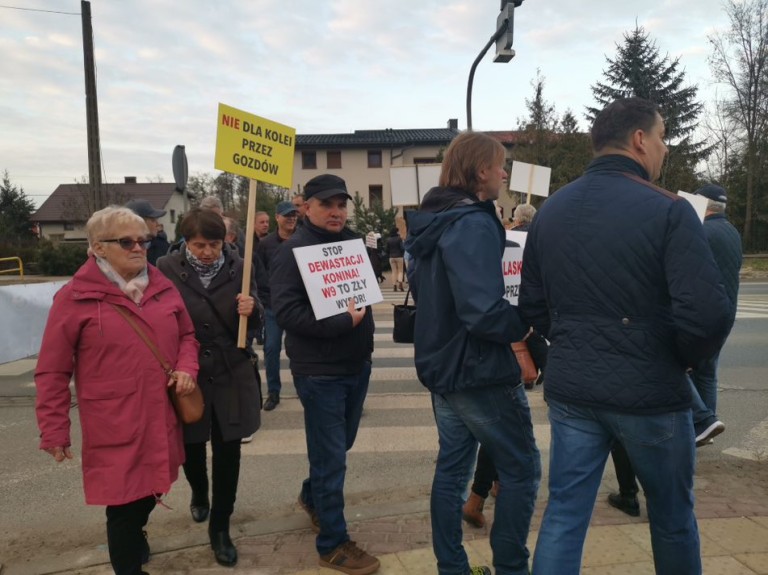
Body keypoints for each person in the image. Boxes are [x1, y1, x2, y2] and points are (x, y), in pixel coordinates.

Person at [519, 97, 732, 575]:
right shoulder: (671, 210)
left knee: (564, 514)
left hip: (574, 389)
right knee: (673, 518)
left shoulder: (551, 211)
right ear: (639, 139)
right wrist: (679, 358)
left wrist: (573, 339)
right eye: (661, 139)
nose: (664, 150)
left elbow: (531, 306)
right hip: (651, 393)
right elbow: (708, 314)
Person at [35, 206, 200, 575]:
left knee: (151, 490)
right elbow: (52, 370)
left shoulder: (161, 284)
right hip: (115, 421)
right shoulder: (75, 297)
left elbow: (188, 335)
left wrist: (187, 367)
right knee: (123, 505)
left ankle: (138, 532)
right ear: (98, 248)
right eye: (126, 241)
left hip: (161, 414)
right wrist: (54, 428)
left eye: (143, 240)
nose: (139, 247)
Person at [405, 131, 541, 575]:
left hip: (444, 366)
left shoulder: (434, 219)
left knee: (452, 472)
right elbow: (482, 312)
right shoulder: (474, 222)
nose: (504, 172)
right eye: (500, 165)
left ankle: (452, 567)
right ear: (481, 171)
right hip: (478, 370)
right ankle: (511, 568)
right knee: (521, 471)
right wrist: (525, 324)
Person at [270, 174, 379, 575]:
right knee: (331, 458)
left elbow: (364, 295)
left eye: (341, 205)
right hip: (320, 372)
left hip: (356, 363)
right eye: (327, 205)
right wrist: (340, 323)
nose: (336, 212)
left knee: (338, 446)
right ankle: (332, 543)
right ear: (306, 207)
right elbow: (287, 313)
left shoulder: (352, 242)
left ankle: (311, 496)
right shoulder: (291, 251)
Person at [157, 208, 261, 568]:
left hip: (231, 371)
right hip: (188, 373)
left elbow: (259, 316)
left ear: (226, 240)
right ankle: (199, 491)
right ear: (186, 242)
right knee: (192, 443)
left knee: (229, 449)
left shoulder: (241, 268)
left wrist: (254, 309)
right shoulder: (165, 269)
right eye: (199, 245)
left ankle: (221, 525)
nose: (207, 252)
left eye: (214, 244)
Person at [256, 200, 299, 411]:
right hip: (274, 306)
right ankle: (273, 392)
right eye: (287, 215)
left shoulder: (303, 240)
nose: (291, 218)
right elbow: (260, 274)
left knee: (299, 350)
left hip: (299, 306)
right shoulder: (265, 244)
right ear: (277, 218)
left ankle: (303, 387)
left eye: (294, 215)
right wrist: (267, 299)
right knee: (271, 348)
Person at [125, 198, 170, 265]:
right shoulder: (120, 248)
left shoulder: (163, 247)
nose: (157, 224)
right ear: (140, 222)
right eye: (153, 220)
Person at [386, 227, 405, 291]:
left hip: (391, 257)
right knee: (400, 271)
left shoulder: (388, 239)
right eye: (398, 231)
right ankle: (400, 282)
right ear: (396, 232)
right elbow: (402, 248)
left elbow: (387, 249)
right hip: (399, 256)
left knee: (393, 271)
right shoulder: (399, 239)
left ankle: (394, 285)